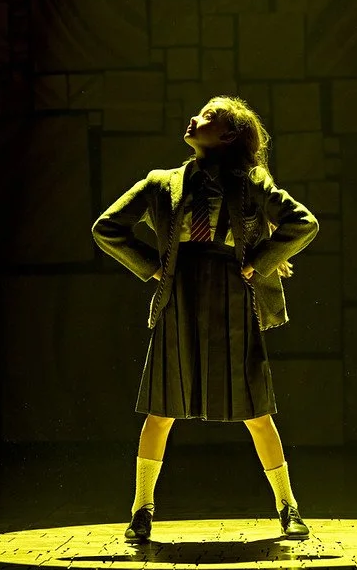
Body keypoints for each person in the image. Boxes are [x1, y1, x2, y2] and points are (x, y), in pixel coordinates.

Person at [91, 95, 319, 542]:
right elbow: (107, 227)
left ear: (229, 135)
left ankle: (288, 506)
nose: (194, 119)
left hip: (233, 294)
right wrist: (152, 267)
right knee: (160, 409)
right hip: (179, 294)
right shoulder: (161, 182)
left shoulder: (250, 181)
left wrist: (261, 261)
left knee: (257, 410)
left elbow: (303, 222)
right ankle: (141, 508)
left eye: (209, 116)